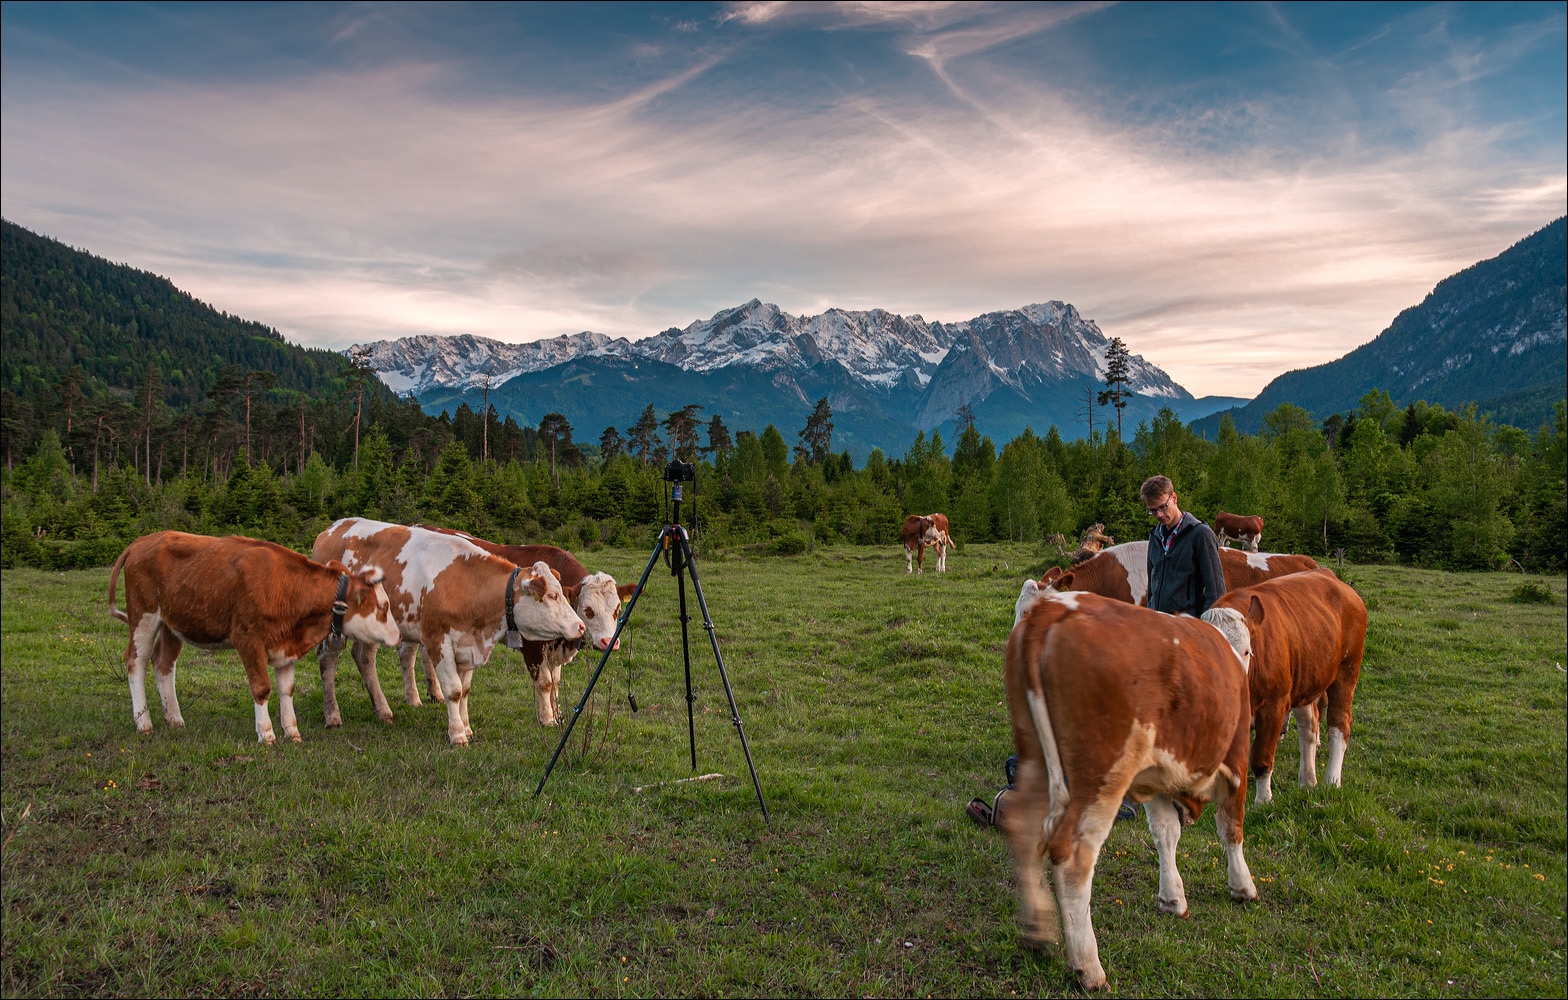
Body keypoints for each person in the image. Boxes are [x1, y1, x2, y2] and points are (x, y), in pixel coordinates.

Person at [1142, 475, 1226, 616]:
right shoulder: (1155, 537)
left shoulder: (1200, 534)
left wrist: (1203, 628)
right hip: (1159, 625)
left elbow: (1216, 592)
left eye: (1163, 506)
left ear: (1174, 498)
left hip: (1188, 627)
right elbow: (1152, 588)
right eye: (1153, 510)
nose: (1159, 514)